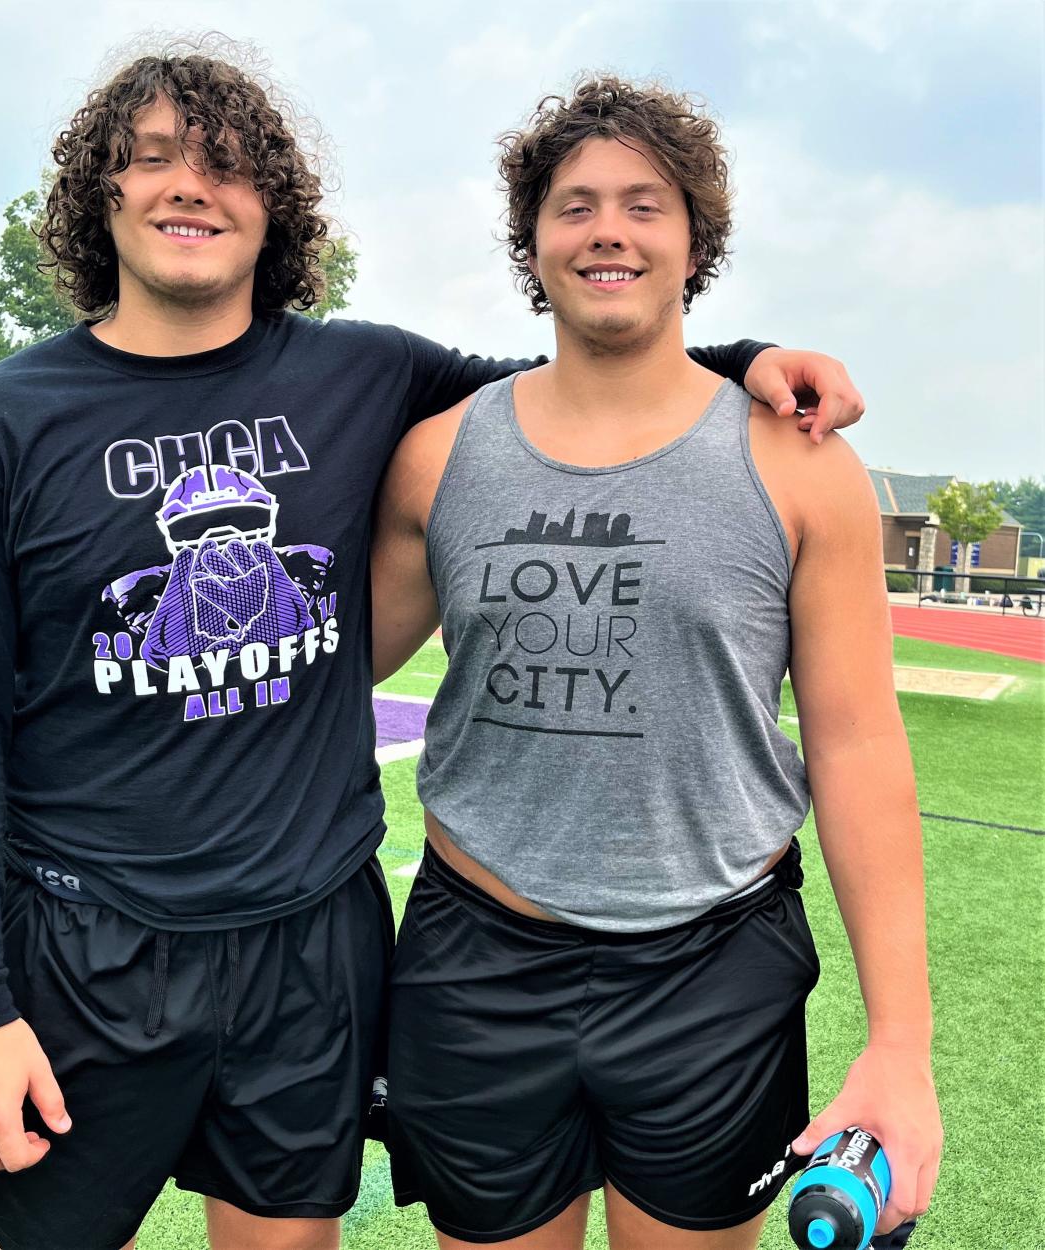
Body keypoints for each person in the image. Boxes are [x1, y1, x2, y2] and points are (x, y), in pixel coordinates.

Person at [0, 43, 866, 1250]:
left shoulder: (360, 371)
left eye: (225, 166)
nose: (189, 186)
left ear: (273, 208)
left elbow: (578, 374)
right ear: (103, 194)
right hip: (87, 939)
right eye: (151, 162)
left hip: (310, 936)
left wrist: (747, 357)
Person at [372, 76, 941, 1250]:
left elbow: (856, 740)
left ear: (695, 238)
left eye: (645, 204)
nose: (609, 231)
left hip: (713, 969)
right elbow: (324, 666)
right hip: (478, 959)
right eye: (575, 206)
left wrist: (901, 1045)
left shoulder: (800, 462)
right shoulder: (437, 455)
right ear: (534, 242)